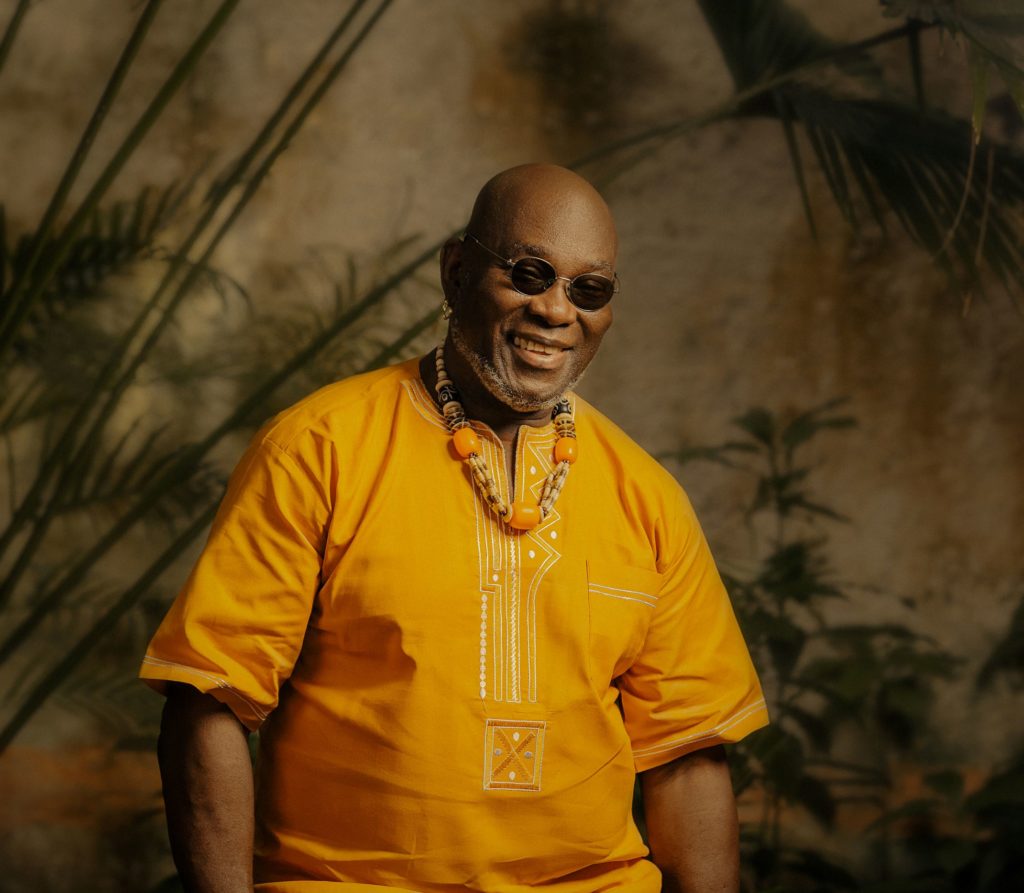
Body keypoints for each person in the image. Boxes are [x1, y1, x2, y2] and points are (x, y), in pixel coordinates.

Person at [141, 163, 769, 893]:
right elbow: (210, 699)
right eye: (529, 275)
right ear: (456, 272)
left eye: (588, 290)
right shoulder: (318, 449)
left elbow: (687, 756)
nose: (556, 310)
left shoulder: (648, 495)